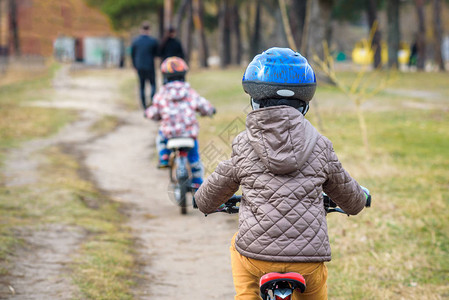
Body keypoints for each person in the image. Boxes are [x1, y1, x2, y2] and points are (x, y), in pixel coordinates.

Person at [194, 47, 370, 300]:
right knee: (316, 290)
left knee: (237, 248)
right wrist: (359, 199)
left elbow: (209, 196)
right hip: (307, 263)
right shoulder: (321, 145)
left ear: (255, 100)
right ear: (304, 104)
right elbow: (353, 202)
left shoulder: (243, 144)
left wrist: (203, 200)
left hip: (256, 258)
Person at [145, 57, 215, 189]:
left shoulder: (162, 93)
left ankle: (164, 156)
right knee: (194, 158)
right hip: (189, 134)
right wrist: (210, 110)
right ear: (184, 76)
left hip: (169, 133)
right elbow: (203, 105)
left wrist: (148, 113)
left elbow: (154, 111)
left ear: (165, 76)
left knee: (160, 137)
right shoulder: (189, 92)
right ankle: (198, 182)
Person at [131, 21, 159, 110]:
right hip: (150, 66)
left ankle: (143, 105)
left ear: (141, 29)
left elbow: (133, 55)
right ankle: (151, 100)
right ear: (149, 30)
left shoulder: (136, 41)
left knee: (142, 86)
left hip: (139, 66)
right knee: (153, 85)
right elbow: (157, 54)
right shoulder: (153, 41)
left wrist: (134, 65)